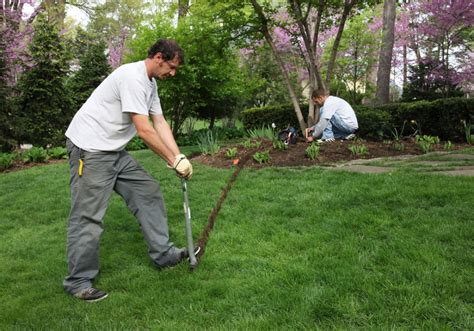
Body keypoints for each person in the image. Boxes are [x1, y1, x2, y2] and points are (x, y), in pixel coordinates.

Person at [63, 39, 197, 302]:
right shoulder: (132, 77)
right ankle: (78, 281)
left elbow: (159, 122)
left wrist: (179, 155)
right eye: (171, 66)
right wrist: (171, 161)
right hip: (90, 150)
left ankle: (164, 255)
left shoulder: (150, 84)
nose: (173, 73)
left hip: (113, 151)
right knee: (88, 216)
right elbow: (144, 130)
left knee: (147, 190)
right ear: (158, 57)